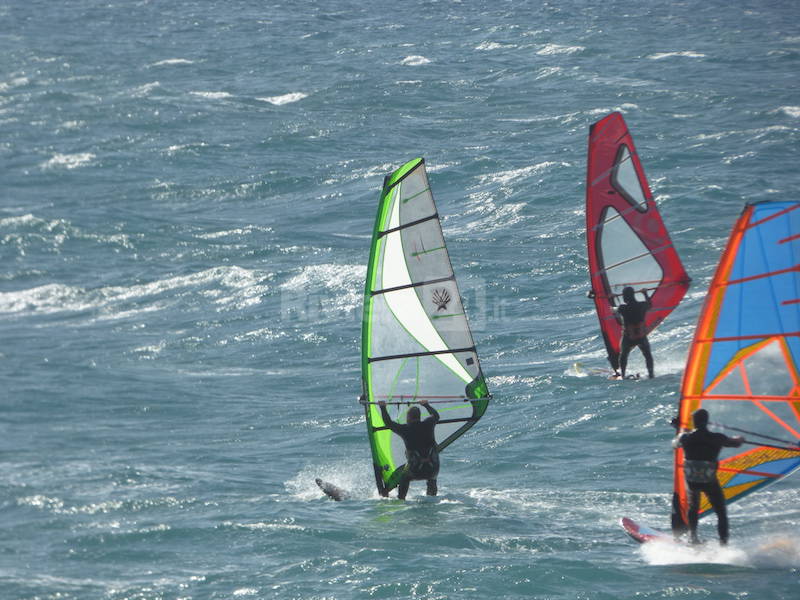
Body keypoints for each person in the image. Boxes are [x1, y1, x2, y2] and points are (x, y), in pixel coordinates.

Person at [672, 408, 744, 545]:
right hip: (709, 480)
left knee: (693, 507)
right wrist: (740, 439)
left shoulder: (686, 438)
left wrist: (680, 430)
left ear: (694, 422)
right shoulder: (717, 438)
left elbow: (675, 444)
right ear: (707, 422)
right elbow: (735, 443)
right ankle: (723, 543)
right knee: (721, 512)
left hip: (692, 480)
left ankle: (693, 538)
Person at [378, 399, 440, 499]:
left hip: (415, 471)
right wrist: (426, 405)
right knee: (432, 477)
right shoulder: (429, 424)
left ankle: (401, 498)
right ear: (419, 417)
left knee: (404, 478)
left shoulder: (405, 429)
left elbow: (388, 423)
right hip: (432, 469)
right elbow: (436, 416)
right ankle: (432, 497)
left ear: (408, 417)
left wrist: (382, 407)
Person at [615, 286, 654, 379]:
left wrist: (611, 297)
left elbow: (613, 309)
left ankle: (623, 375)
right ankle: (651, 374)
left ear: (624, 297)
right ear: (633, 295)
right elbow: (650, 305)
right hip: (641, 336)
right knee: (647, 355)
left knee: (623, 355)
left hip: (628, 337)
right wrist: (645, 293)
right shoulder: (642, 305)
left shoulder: (622, 308)